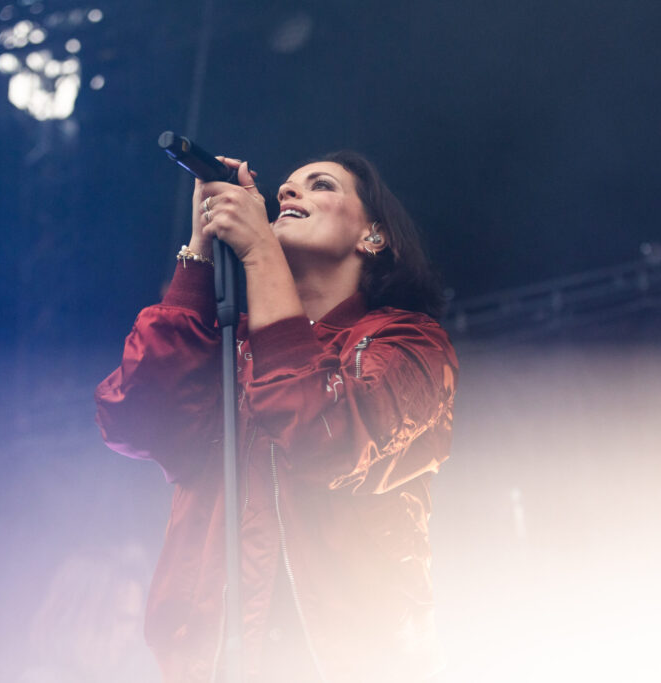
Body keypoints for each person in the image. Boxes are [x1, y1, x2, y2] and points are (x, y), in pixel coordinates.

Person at [95, 150, 458, 683]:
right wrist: (200, 250)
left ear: (373, 236)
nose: (288, 194)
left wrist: (261, 253)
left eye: (320, 186)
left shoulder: (411, 343)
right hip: (215, 665)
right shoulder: (230, 347)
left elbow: (326, 437)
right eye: (286, 188)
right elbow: (134, 416)